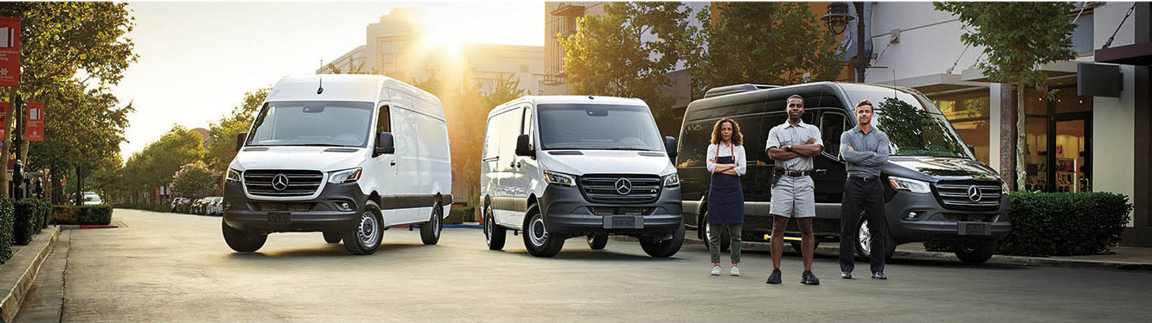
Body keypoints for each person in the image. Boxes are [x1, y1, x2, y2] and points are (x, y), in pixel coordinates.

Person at [764, 94, 823, 285]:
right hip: (783, 180)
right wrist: (803, 148)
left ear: (803, 109)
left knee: (806, 227)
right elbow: (773, 153)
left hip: (805, 180)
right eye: (792, 105)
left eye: (798, 106)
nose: (795, 108)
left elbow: (816, 150)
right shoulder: (776, 130)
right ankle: (776, 270)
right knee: (778, 225)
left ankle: (807, 272)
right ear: (786, 108)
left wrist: (788, 147)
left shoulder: (812, 129)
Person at [839, 99, 891, 280]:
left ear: (872, 114)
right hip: (854, 183)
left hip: (874, 184)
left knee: (877, 228)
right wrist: (871, 154)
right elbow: (846, 154)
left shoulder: (881, 136)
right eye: (860, 111)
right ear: (856, 114)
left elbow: (883, 158)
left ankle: (878, 269)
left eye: (867, 111)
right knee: (848, 227)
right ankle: (846, 268)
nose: (864, 114)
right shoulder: (847, 135)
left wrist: (858, 156)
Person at [705, 118, 747, 276]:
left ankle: (735, 264)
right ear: (719, 131)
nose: (727, 132)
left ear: (734, 131)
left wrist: (719, 167)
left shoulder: (739, 149)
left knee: (735, 233)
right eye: (724, 129)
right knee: (715, 232)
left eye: (729, 129)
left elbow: (742, 170)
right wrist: (731, 166)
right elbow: (710, 167)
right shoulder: (712, 147)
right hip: (716, 192)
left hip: (734, 193)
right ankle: (716, 264)